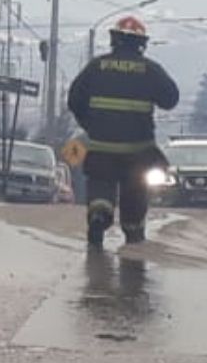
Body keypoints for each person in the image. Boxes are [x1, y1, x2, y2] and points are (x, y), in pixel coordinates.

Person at [67, 16, 179, 248]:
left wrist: (91, 125)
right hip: (137, 150)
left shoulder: (96, 67)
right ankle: (133, 230)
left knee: (100, 183)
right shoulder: (150, 70)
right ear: (141, 44)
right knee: (135, 190)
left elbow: (74, 99)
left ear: (114, 40)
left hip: (100, 147)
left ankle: (98, 215)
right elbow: (171, 99)